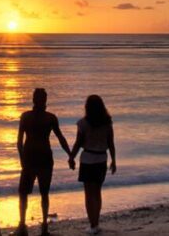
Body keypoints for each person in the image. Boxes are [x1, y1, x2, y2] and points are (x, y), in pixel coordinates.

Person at [17, 88, 71, 235]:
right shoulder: (50, 118)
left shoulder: (26, 116)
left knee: (23, 193)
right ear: (45, 101)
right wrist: (70, 155)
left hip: (30, 158)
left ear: (33, 100)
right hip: (44, 158)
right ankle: (44, 228)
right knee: (44, 194)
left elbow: (19, 142)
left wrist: (22, 159)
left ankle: (22, 225)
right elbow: (61, 138)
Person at [68, 95, 116, 235]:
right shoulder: (107, 123)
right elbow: (111, 143)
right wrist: (114, 160)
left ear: (87, 107)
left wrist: (71, 157)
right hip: (102, 159)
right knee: (97, 193)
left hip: (88, 159)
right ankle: (96, 224)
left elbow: (78, 143)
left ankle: (92, 225)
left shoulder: (83, 123)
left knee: (89, 195)